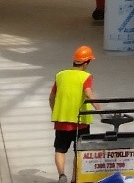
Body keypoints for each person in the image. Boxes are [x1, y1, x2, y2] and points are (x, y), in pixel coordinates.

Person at [50, 45, 95, 183]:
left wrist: (56, 111)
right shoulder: (86, 76)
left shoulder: (60, 75)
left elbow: (51, 97)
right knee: (79, 151)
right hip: (80, 122)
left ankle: (61, 175)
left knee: (60, 150)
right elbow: (88, 93)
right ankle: (75, 179)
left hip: (61, 121)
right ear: (86, 63)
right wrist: (100, 108)